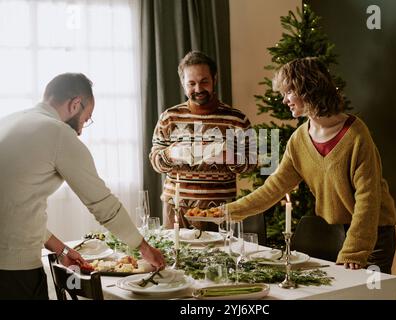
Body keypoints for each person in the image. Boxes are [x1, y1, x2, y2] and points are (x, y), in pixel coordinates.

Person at [223, 57, 396, 274]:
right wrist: (226, 212)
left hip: (372, 235)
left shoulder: (356, 135)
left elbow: (368, 198)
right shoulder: (299, 140)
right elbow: (273, 189)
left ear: (308, 89)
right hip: (336, 232)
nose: (284, 100)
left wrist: (354, 250)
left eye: (288, 92)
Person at [0, 73, 165, 300]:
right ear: (75, 104)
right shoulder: (58, 133)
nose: (80, 130)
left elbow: (15, 208)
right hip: (12, 272)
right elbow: (103, 205)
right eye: (85, 119)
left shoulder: (9, 121)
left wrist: (63, 249)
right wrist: (145, 248)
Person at [150, 51, 257, 229]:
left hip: (220, 209)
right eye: (191, 83)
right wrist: (169, 154)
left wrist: (230, 157)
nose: (198, 89)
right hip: (175, 208)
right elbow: (155, 162)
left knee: (219, 257)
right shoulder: (169, 117)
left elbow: (252, 162)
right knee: (175, 256)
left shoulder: (237, 120)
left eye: (204, 82)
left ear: (214, 79)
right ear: (183, 84)